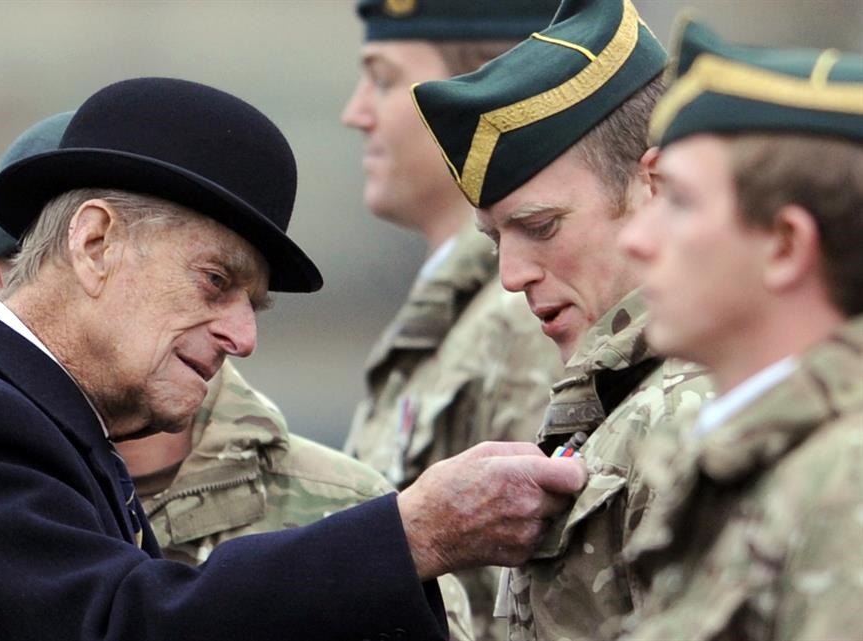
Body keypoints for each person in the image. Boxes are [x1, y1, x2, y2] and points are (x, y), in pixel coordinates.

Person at [0, 77, 588, 641]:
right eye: (214, 280)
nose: (242, 337)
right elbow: (121, 624)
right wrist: (412, 534)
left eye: (253, 306)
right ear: (96, 243)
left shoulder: (46, 421)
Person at [411, 1, 713, 639]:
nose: (511, 275)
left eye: (540, 226)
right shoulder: (619, 400)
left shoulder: (697, 413)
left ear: (653, 186)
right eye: (495, 240)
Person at [614, 19, 863, 640]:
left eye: (680, 203)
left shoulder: (844, 483)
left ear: (785, 246)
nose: (636, 239)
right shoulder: (753, 457)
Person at [341, 3, 563, 636]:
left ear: (480, 96)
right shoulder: (453, 311)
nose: (355, 113)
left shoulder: (523, 312)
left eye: (383, 80)